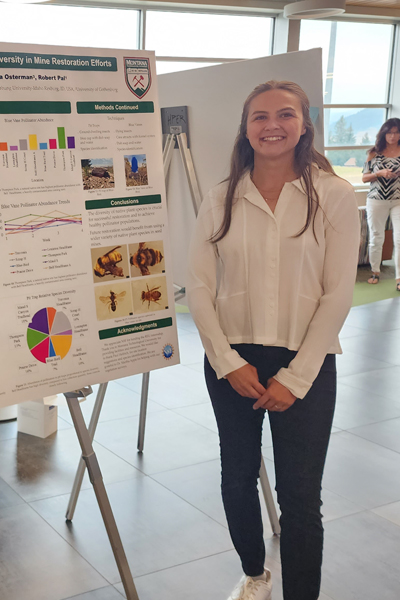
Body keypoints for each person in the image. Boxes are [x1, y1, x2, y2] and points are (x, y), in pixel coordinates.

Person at [187, 81, 359, 600]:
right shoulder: (221, 197)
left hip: (304, 362)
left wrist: (297, 376)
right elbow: (197, 287)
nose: (272, 125)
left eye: (286, 114)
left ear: (304, 125)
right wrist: (225, 361)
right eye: (260, 116)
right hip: (233, 359)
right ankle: (255, 573)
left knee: (302, 497)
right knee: (237, 476)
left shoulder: (333, 195)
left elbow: (338, 295)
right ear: (245, 128)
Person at [362, 118, 400, 291]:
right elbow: (364, 177)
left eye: (396, 132)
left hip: (398, 200)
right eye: (389, 132)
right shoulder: (374, 152)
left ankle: (399, 278)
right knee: (376, 236)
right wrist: (380, 173)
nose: (393, 136)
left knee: (399, 239)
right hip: (376, 200)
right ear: (384, 133)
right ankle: (375, 272)